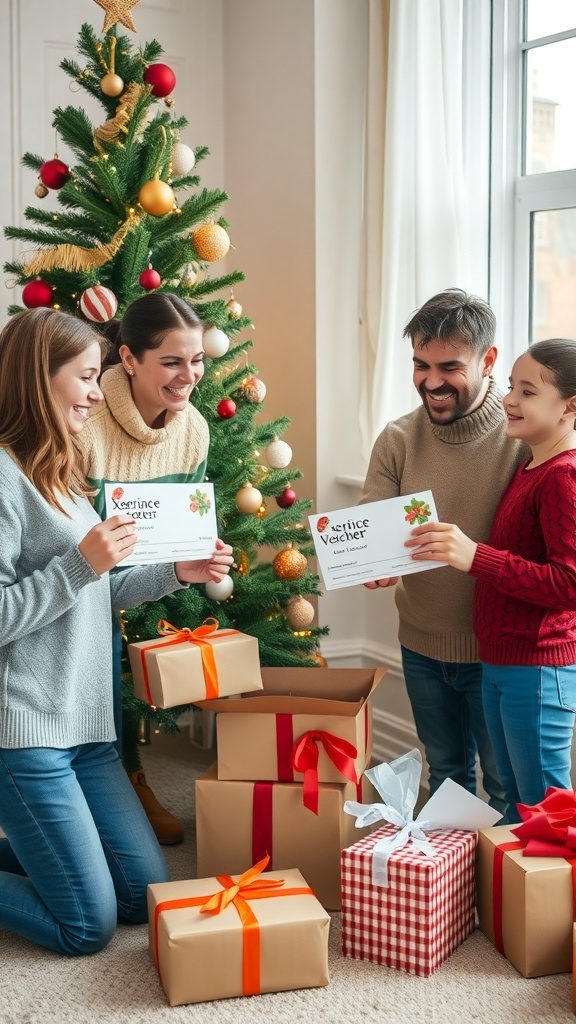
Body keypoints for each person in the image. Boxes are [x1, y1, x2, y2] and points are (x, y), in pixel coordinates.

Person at [0, 307, 232, 954]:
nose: (99, 393)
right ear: (36, 381)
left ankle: (44, 848)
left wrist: (175, 572)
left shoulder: (61, 470)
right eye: (84, 378)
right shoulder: (2, 478)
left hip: (88, 729)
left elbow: (98, 593)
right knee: (86, 926)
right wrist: (80, 565)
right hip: (27, 732)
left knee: (141, 892)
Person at [361, 288, 526, 813]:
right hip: (422, 644)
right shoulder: (397, 439)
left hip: (498, 650)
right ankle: (451, 894)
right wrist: (371, 564)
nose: (431, 382)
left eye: (449, 366)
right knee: (447, 775)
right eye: (420, 365)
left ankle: (500, 897)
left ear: (488, 359)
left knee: (504, 787)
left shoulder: (523, 438)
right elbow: (370, 526)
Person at [406, 338, 576, 822]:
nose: (508, 400)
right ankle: (508, 898)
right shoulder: (529, 466)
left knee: (547, 814)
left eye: (527, 392)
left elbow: (569, 584)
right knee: (519, 809)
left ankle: (551, 901)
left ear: (570, 407)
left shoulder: (564, 477)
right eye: (511, 388)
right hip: (503, 662)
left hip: (538, 669)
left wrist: (476, 557)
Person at [76, 292, 211, 845]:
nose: (190, 376)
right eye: (173, 362)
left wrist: (195, 557)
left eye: (198, 359)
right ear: (128, 359)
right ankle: (104, 789)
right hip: (84, 582)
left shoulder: (194, 428)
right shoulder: (85, 424)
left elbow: (188, 522)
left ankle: (125, 784)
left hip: (152, 574)